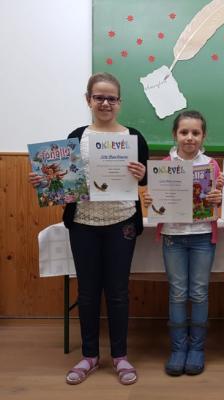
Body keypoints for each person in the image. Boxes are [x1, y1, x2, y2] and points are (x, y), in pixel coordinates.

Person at [29, 72, 148, 385]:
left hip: (122, 223)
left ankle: (120, 356)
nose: (105, 103)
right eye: (99, 97)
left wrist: (142, 172)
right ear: (88, 100)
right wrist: (43, 179)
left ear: (119, 102)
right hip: (83, 224)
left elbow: (146, 177)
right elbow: (63, 179)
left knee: (118, 292)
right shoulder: (77, 135)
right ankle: (90, 355)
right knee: (87, 292)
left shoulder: (134, 137)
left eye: (111, 98)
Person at [142, 110, 222, 376]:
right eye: (184, 132)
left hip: (202, 235)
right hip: (173, 237)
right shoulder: (164, 164)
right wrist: (151, 201)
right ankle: (178, 349)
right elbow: (156, 202)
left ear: (203, 136)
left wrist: (217, 198)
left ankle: (197, 349)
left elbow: (218, 199)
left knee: (199, 292)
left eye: (195, 133)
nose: (190, 137)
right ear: (174, 134)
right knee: (177, 293)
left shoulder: (211, 165)